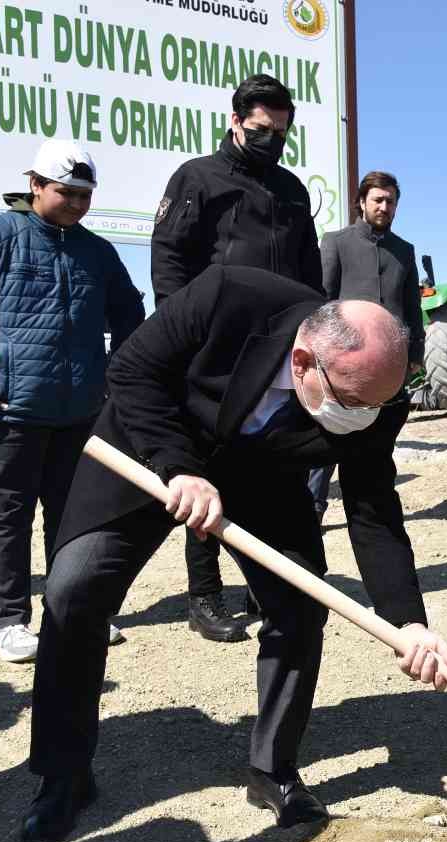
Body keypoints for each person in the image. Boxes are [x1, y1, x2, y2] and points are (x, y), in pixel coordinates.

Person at [18, 267, 447, 842]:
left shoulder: (373, 392)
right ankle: (63, 774)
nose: (365, 417)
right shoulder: (231, 296)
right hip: (149, 448)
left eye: (377, 404)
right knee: (74, 591)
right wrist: (180, 468)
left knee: (300, 608)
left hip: (261, 478)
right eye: (352, 401)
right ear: (302, 362)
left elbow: (372, 507)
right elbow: (132, 370)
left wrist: (409, 622)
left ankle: (273, 769)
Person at [0, 139, 144, 664]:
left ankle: (73, 611)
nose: (76, 203)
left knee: (73, 517)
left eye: (85, 195)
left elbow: (130, 317)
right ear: (35, 186)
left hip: (80, 413)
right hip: (11, 411)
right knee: (9, 516)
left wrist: (115, 380)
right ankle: (9, 621)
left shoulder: (97, 252)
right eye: (66, 193)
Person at [152, 74, 323, 644]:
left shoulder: (293, 191)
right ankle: (205, 595)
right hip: (213, 353)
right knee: (205, 472)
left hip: (277, 357)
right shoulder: (197, 179)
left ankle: (265, 580)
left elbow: (309, 274)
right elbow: (170, 261)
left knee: (276, 466)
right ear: (234, 122)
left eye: (280, 132)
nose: (270, 140)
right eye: (259, 130)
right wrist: (183, 338)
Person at [311, 171, 425, 520]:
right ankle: (312, 508)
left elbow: (411, 309)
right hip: (341, 365)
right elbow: (322, 301)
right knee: (329, 441)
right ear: (361, 202)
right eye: (378, 199)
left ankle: (370, 509)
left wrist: (416, 356)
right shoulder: (336, 243)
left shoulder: (404, 251)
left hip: (389, 368)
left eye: (390, 201)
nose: (384, 206)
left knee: (378, 445)